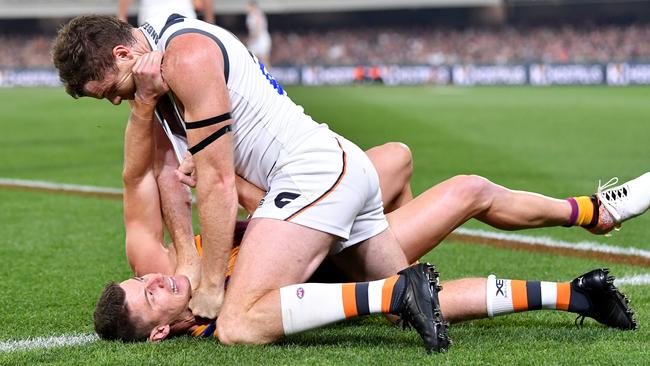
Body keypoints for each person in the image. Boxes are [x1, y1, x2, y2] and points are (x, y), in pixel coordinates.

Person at [52, 15, 645, 352]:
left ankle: (590, 211)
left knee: (238, 324)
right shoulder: (160, 84)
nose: (152, 278)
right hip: (322, 185)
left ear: (128, 53)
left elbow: (211, 181)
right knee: (406, 295)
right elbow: (165, 176)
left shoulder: (184, 58)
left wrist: (209, 289)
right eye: (151, 292)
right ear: (160, 329)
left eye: (115, 91)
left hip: (313, 177)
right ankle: (580, 294)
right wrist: (144, 107)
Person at [117, 0, 214, 26]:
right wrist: (209, 22)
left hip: (151, 19)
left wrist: (121, 16)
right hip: (184, 18)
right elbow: (200, 4)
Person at [246, 1, 272, 67]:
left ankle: (268, 76)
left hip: (260, 39)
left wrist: (252, 39)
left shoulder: (257, 14)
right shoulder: (250, 16)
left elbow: (258, 28)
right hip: (255, 39)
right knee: (252, 59)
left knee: (264, 59)